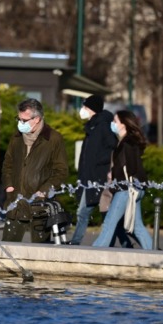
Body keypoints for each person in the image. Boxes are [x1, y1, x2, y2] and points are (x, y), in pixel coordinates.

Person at [1, 98, 69, 243]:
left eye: (24, 120)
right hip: (16, 203)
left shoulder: (53, 139)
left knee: (40, 252)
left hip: (39, 205)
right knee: (7, 247)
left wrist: (45, 190)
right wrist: (8, 185)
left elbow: (61, 171)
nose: (20, 123)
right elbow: (8, 163)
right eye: (18, 119)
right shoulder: (16, 137)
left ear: (37, 119)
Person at [92, 110, 153, 250]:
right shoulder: (129, 142)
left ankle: (93, 254)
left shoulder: (126, 144)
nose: (112, 124)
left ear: (123, 124)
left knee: (109, 223)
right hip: (134, 188)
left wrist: (117, 177)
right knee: (137, 227)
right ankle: (153, 256)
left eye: (115, 121)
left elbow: (130, 168)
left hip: (126, 190)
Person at [70, 95, 117, 245]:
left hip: (98, 177)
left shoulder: (102, 126)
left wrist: (101, 164)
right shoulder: (92, 126)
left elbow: (112, 148)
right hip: (88, 177)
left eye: (85, 107)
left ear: (92, 109)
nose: (82, 110)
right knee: (86, 211)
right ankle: (77, 241)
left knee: (94, 212)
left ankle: (78, 241)